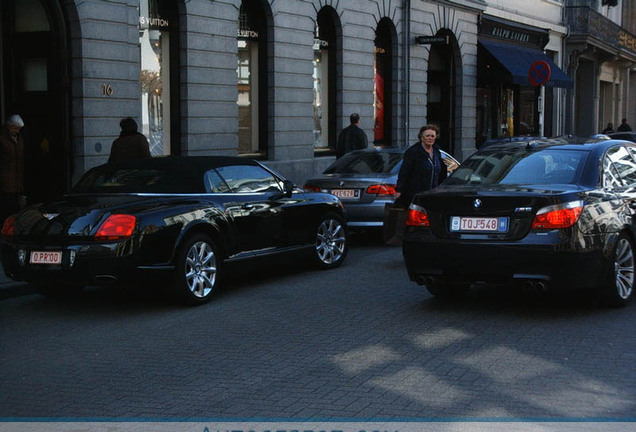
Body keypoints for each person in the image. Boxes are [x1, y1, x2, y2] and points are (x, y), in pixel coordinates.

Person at [395, 124, 447, 208]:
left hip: (433, 194)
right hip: (416, 194)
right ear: (421, 137)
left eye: (432, 136)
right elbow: (404, 172)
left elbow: (442, 171)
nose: (430, 138)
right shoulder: (413, 152)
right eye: (427, 136)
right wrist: (399, 190)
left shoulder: (437, 151)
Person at [0, 115, 26, 228]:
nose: (17, 131)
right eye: (15, 128)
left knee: (16, 205)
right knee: (7, 204)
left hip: (16, 178)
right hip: (6, 178)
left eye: (18, 129)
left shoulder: (19, 138)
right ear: (9, 126)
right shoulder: (3, 138)